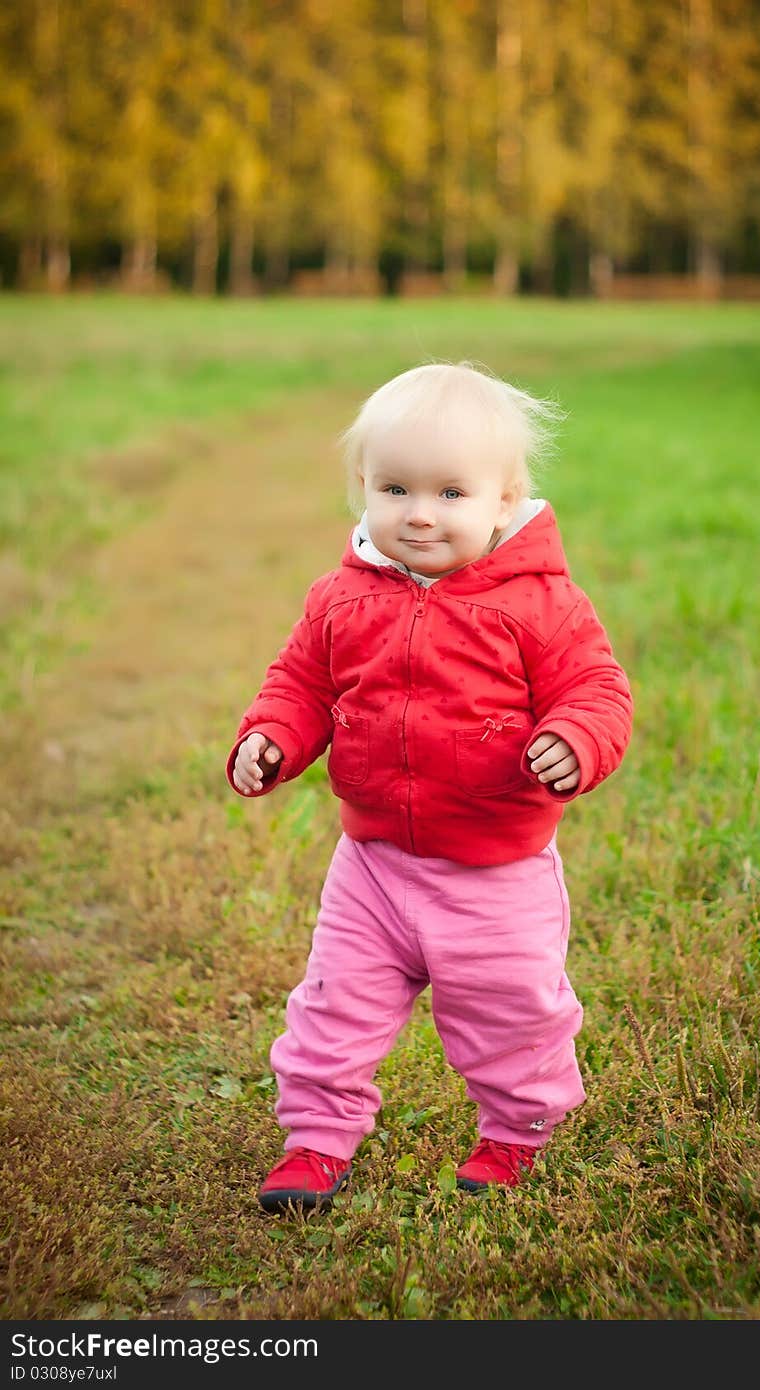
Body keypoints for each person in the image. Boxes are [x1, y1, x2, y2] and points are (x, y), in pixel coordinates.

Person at [226, 361, 633, 1213]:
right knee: (333, 1009)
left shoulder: (539, 602)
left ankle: (516, 1135)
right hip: (372, 865)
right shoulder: (340, 597)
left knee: (512, 1015)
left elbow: (595, 689)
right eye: (395, 488)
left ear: (504, 499)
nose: (418, 513)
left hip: (496, 873)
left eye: (451, 494)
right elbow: (300, 684)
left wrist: (575, 739)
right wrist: (270, 738)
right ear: (362, 489)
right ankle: (314, 1141)